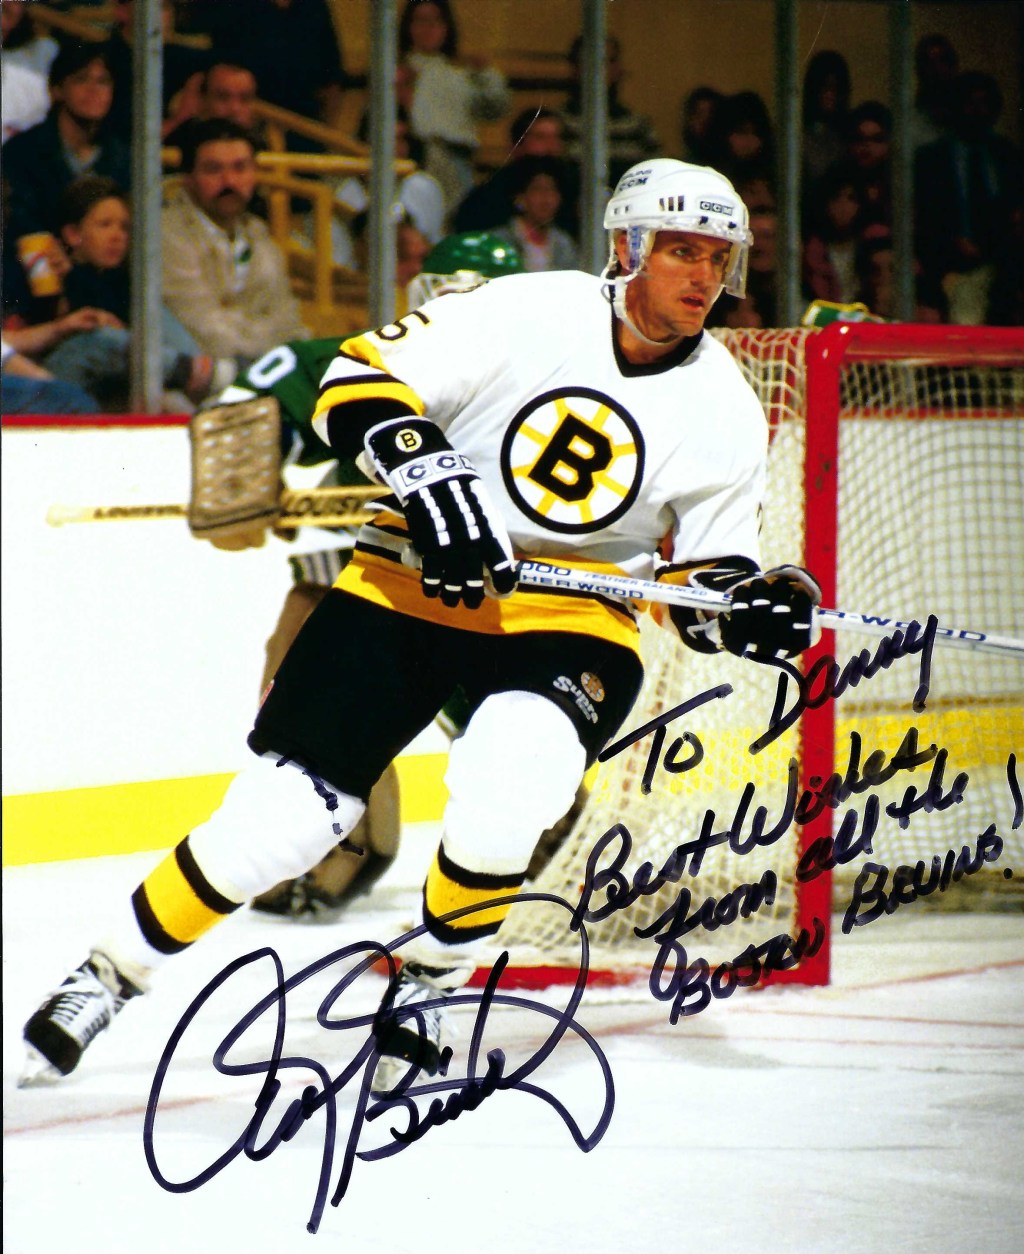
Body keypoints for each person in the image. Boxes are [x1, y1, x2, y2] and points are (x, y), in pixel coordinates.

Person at [19, 158, 822, 1092]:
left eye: (718, 257)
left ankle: (432, 981)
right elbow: (357, 376)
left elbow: (703, 584)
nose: (703, 275)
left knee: (514, 767)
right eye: (682, 250)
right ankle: (111, 970)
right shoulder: (529, 310)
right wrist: (425, 469)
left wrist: (749, 608)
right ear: (627, 247)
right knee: (282, 821)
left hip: (574, 615)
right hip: (407, 582)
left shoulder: (725, 405)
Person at [191, 230, 528, 917]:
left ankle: (547, 841)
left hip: (487, 581)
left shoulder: (546, 378)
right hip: (364, 568)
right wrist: (249, 477)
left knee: (504, 727)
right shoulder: (378, 358)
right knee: (301, 682)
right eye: (446, 297)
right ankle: (337, 847)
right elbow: (255, 398)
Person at [37, 174, 222, 408]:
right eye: (105, 225)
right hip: (56, 374)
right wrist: (66, 283)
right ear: (73, 234)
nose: (117, 236)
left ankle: (204, 379)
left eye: (124, 227)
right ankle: (200, 371)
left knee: (153, 311)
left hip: (115, 380)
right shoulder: (54, 272)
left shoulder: (121, 280)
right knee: (102, 337)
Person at [161, 118, 309, 368]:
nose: (229, 181)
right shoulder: (167, 233)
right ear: (188, 177)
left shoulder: (260, 236)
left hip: (259, 367)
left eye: (240, 168)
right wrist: (270, 347)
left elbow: (288, 322)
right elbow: (200, 327)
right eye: (213, 169)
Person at [914, 71, 1022, 326]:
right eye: (970, 103)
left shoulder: (1006, 154)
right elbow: (925, 216)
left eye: (985, 103)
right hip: (945, 266)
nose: (978, 111)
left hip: (1000, 268)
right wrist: (953, 241)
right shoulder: (931, 158)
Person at [2, 44, 131, 243]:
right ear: (57, 89)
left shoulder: (123, 157)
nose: (94, 90)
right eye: (81, 79)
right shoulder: (21, 152)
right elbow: (19, 226)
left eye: (103, 81)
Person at [397, 0, 510, 216]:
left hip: (457, 160)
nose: (428, 28)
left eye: (436, 20)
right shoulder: (396, 73)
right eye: (421, 20)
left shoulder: (461, 75)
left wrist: (487, 74)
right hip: (414, 159)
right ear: (408, 27)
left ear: (447, 27)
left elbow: (497, 109)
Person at [453, 106, 580, 239]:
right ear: (517, 144)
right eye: (540, 137)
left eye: (557, 138)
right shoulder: (489, 195)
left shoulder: (574, 188)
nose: (551, 146)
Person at [559, 33, 660, 188]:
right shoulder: (558, 123)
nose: (601, 70)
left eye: (609, 61)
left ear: (618, 68)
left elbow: (656, 178)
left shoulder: (637, 126)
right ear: (575, 67)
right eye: (592, 61)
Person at [491, 155, 578, 272]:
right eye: (538, 190)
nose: (546, 200)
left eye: (552, 190)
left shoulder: (564, 245)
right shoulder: (499, 241)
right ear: (520, 198)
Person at [801, 51, 852, 189]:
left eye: (837, 88)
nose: (830, 95)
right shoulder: (794, 133)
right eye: (825, 87)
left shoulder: (850, 133)